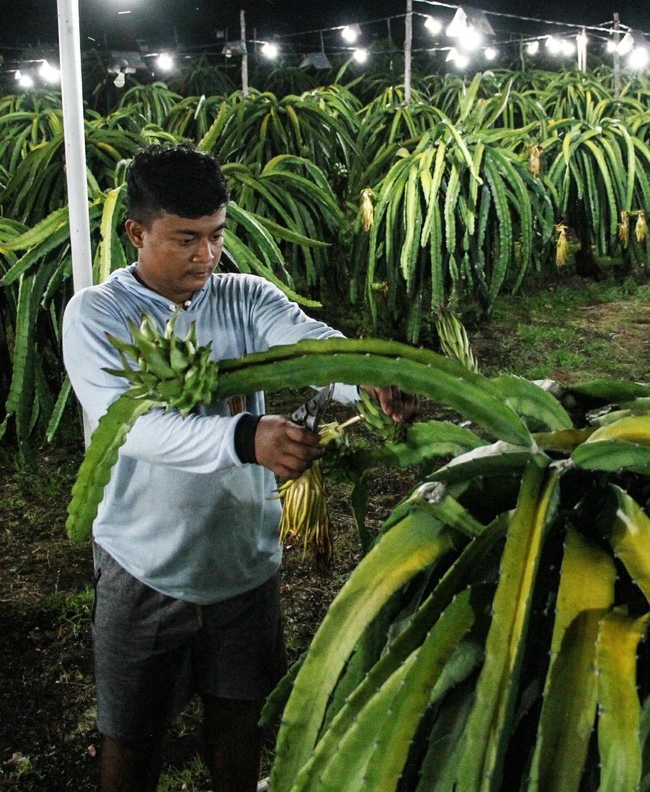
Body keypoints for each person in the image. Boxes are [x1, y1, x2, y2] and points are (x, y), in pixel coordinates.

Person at [62, 143, 416, 792]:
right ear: (137, 232)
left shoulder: (244, 298)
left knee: (239, 727)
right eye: (186, 238)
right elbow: (130, 424)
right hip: (144, 566)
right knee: (131, 740)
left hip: (243, 564)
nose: (207, 255)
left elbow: (312, 347)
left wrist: (367, 378)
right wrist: (247, 436)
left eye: (217, 236)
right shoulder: (99, 316)